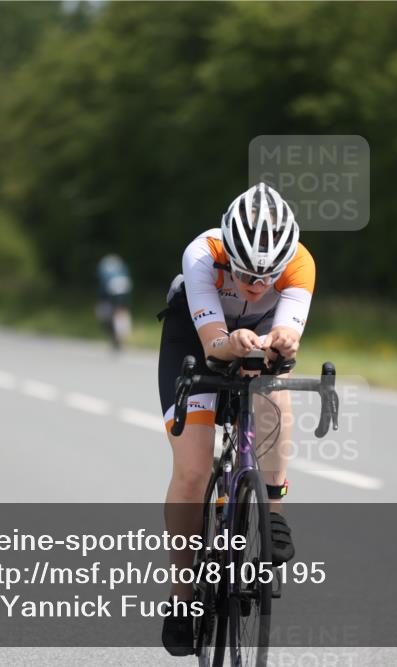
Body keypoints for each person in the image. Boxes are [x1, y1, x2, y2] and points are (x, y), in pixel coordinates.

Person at [156, 183, 314, 656]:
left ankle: (274, 513)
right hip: (195, 337)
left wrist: (281, 343)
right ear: (230, 254)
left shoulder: (301, 264)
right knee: (192, 470)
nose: (256, 285)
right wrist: (231, 343)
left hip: (258, 334)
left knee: (275, 391)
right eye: (245, 273)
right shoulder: (202, 254)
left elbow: (286, 335)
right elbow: (213, 346)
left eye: (268, 277)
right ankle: (182, 597)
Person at [96, 253, 133, 350]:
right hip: (119, 294)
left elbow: (102, 286)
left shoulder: (104, 268)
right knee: (119, 313)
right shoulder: (122, 268)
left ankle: (116, 336)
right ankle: (118, 336)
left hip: (108, 295)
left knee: (110, 315)